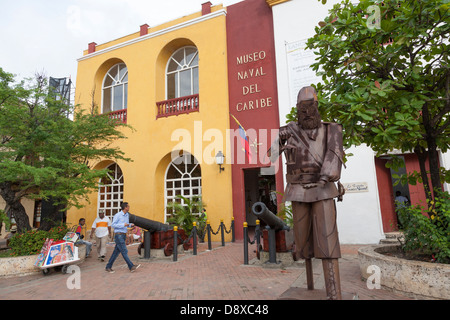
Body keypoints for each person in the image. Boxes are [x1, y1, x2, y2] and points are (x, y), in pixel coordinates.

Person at [269, 86, 345, 300]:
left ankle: (334, 293)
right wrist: (280, 140)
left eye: (310, 107)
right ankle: (310, 283)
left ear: (317, 106)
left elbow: (334, 153)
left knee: (327, 239)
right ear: (297, 110)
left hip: (323, 189)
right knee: (302, 241)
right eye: (303, 109)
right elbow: (271, 156)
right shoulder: (288, 130)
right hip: (298, 190)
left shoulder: (332, 129)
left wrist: (326, 176)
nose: (307, 113)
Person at [105, 202, 140, 273]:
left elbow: (126, 224)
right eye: (128, 206)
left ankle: (108, 266)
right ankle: (131, 266)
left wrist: (130, 225)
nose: (129, 207)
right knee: (124, 251)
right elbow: (113, 225)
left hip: (123, 235)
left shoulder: (127, 215)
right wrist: (123, 224)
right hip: (118, 235)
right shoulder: (117, 215)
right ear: (125, 207)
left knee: (116, 252)